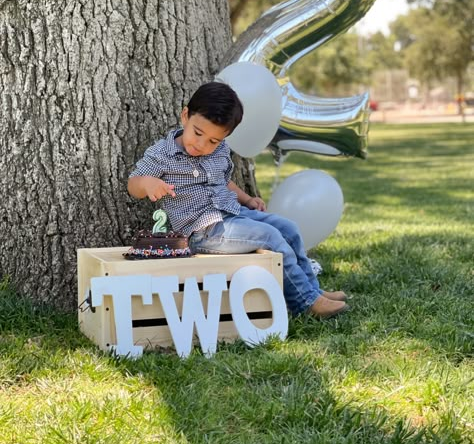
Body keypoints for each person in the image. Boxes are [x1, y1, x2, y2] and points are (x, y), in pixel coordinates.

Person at [128, 81, 349, 319]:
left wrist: (247, 199)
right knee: (270, 237)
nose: (202, 145)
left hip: (234, 215)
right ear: (185, 116)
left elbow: (224, 181)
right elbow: (134, 184)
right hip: (203, 231)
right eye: (198, 133)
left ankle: (314, 290)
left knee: (288, 228)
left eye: (213, 141)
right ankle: (306, 303)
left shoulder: (220, 149)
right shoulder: (162, 154)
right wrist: (147, 184)